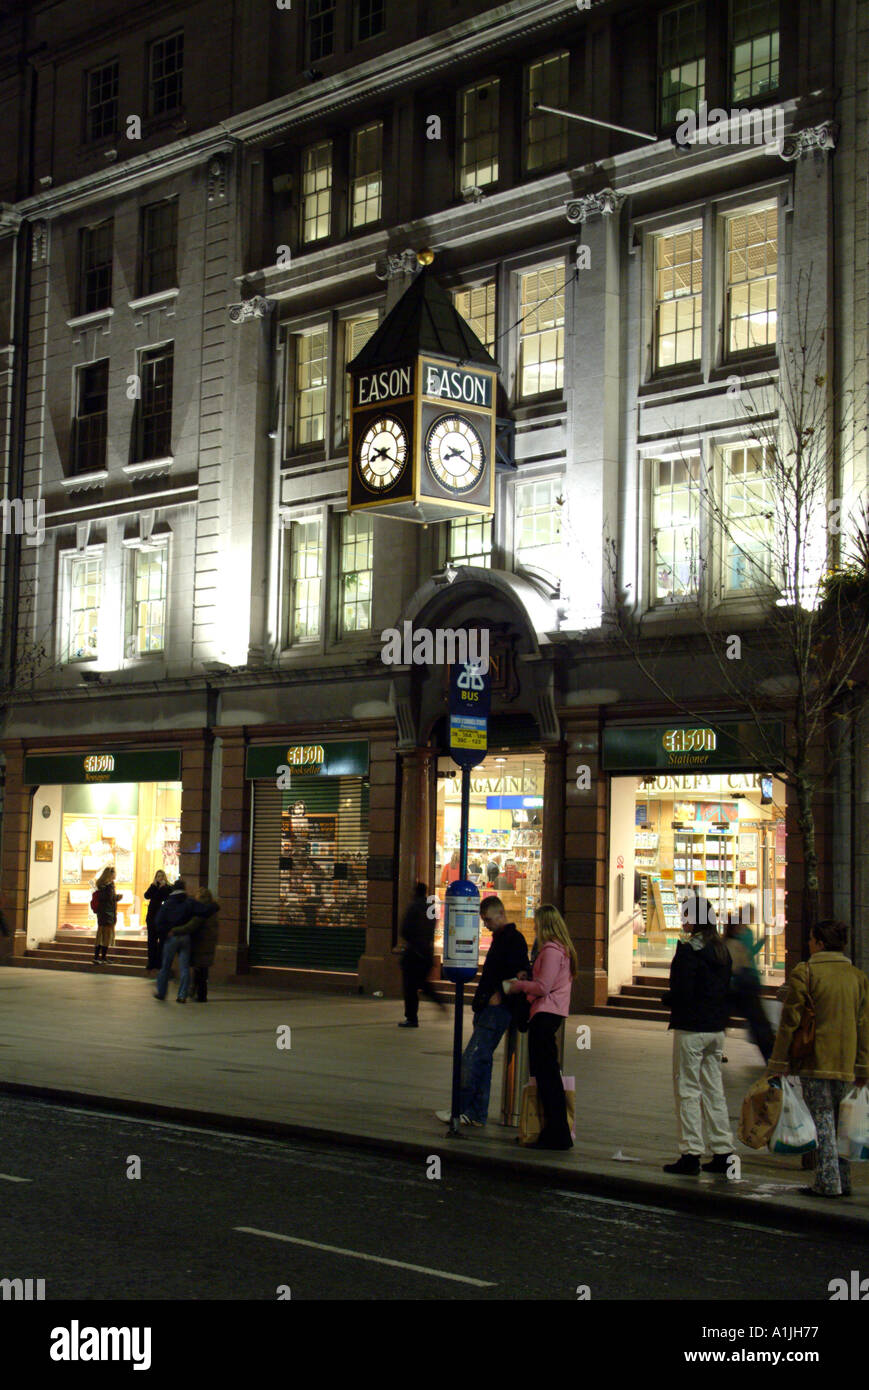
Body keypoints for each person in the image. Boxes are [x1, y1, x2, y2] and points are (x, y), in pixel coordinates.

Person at [768, 919, 869, 1198]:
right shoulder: (857, 977)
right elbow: (864, 1025)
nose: (809, 944)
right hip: (847, 1062)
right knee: (842, 1122)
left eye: (812, 939)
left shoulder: (806, 972)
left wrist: (778, 1062)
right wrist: (863, 1066)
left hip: (815, 1059)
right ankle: (843, 1179)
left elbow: (791, 1021)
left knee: (822, 1119)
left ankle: (827, 1181)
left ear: (821, 943)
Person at [435, 896, 530, 1127]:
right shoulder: (502, 938)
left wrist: (500, 994)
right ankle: (477, 1113)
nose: (485, 925)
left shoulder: (513, 939)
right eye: (483, 920)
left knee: (473, 1057)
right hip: (488, 1006)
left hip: (496, 1009)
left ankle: (462, 1109)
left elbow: (522, 974)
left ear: (500, 914)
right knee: (483, 1061)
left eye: (488, 919)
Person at [662, 910, 734, 1175]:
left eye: (686, 917)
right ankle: (723, 1151)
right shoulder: (722, 952)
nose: (683, 922)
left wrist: (667, 999)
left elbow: (682, 990)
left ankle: (691, 1153)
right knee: (715, 1090)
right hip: (716, 1029)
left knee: (688, 1090)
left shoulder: (688, 951)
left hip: (691, 1028)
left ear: (696, 920)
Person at [507, 904, 576, 1150]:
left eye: (537, 924)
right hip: (551, 1012)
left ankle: (556, 1132)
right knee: (547, 1074)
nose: (534, 927)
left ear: (545, 924)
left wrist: (520, 986)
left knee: (547, 1075)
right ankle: (554, 1131)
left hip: (545, 1014)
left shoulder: (551, 950)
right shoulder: (561, 950)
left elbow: (543, 987)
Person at [153, 879, 218, 1003]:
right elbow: (205, 910)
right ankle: (182, 995)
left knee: (165, 966)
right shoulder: (189, 902)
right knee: (184, 967)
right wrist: (215, 906)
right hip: (185, 937)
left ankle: (161, 992)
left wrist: (165, 932)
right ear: (184, 888)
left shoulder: (167, 904)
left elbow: (158, 921)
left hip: (171, 937)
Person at [724, 916, 774, 1062]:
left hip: (738, 989)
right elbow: (744, 962)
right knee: (760, 1025)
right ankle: (771, 1057)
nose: (743, 929)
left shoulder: (730, 943)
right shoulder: (733, 944)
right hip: (743, 989)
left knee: (722, 1023)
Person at [397, 882, 444, 1027]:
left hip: (414, 953)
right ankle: (439, 1002)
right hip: (427, 952)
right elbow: (433, 927)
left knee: (410, 987)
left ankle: (411, 1017)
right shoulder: (431, 907)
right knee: (424, 984)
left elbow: (405, 930)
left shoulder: (413, 907)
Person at [169, 888, 220, 1002]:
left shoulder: (202, 911)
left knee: (199, 970)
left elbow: (191, 926)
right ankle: (198, 993)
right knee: (203, 970)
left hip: (200, 944)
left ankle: (200, 995)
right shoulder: (213, 910)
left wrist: (174, 930)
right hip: (209, 944)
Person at [93, 866, 122, 965]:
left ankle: (97, 957)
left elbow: (104, 898)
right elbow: (109, 898)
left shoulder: (100, 885)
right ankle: (102, 957)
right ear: (111, 875)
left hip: (102, 913)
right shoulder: (109, 886)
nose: (116, 875)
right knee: (106, 936)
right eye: (115, 873)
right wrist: (117, 897)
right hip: (108, 913)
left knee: (100, 935)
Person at [143, 870, 172, 973]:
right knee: (151, 940)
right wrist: (153, 886)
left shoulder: (168, 887)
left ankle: (159, 962)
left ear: (164, 877)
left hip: (162, 918)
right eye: (158, 876)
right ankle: (151, 962)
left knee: (162, 941)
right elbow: (146, 896)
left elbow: (164, 897)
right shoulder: (154, 886)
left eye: (161, 876)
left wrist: (162, 888)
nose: (160, 878)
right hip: (151, 917)